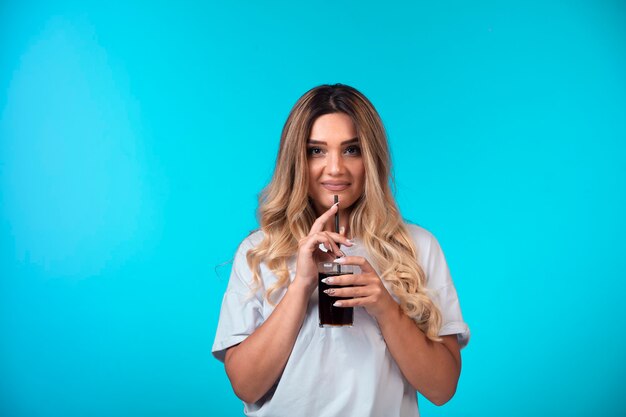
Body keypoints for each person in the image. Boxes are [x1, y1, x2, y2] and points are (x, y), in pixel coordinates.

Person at [212, 84, 470, 417]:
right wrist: (301, 285)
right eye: (316, 150)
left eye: (351, 150)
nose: (335, 168)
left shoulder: (417, 246)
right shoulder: (261, 250)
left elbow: (442, 388)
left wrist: (385, 307)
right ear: (297, 159)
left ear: (372, 158)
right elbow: (246, 386)